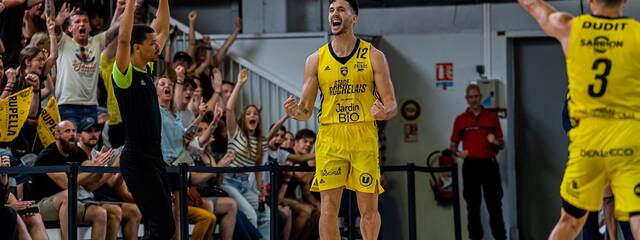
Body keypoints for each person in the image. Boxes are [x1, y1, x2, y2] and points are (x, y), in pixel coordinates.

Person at [517, 0, 640, 238]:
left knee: (570, 221)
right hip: (628, 139)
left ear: (590, 0)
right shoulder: (636, 34)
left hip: (589, 143)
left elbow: (533, 5)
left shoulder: (570, 28)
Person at [283, 0, 397, 239]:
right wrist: (296, 112)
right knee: (328, 207)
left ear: (354, 18)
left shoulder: (374, 56)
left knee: (368, 208)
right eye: (332, 10)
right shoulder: (315, 59)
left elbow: (392, 104)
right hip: (330, 135)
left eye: (341, 10)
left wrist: (383, 113)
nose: (335, 14)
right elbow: (305, 111)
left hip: (362, 134)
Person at [111, 0, 173, 238]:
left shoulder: (146, 69)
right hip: (137, 160)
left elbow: (164, 28)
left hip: (154, 157)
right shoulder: (124, 74)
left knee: (164, 225)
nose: (158, 47)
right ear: (137, 48)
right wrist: (129, 5)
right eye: (152, 44)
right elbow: (124, 38)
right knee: (163, 226)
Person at [449, 84, 506, 240]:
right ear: (467, 99)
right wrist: (459, 153)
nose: (474, 100)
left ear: (480, 97)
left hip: (489, 165)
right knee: (472, 207)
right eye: (471, 97)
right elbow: (452, 146)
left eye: (476, 96)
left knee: (495, 206)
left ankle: (500, 237)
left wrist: (494, 141)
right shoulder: (461, 120)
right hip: (471, 167)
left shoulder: (492, 117)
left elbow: (502, 144)